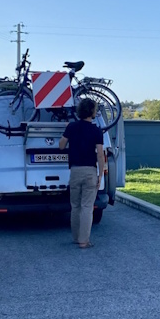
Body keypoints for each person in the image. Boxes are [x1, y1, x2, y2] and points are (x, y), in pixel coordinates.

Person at [59, 99, 106, 249]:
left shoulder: (72, 127)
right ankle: (84, 241)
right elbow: (99, 154)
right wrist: (100, 175)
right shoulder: (96, 130)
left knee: (75, 206)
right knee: (87, 206)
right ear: (92, 112)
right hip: (90, 171)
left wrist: (67, 131)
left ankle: (75, 237)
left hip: (75, 170)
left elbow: (61, 146)